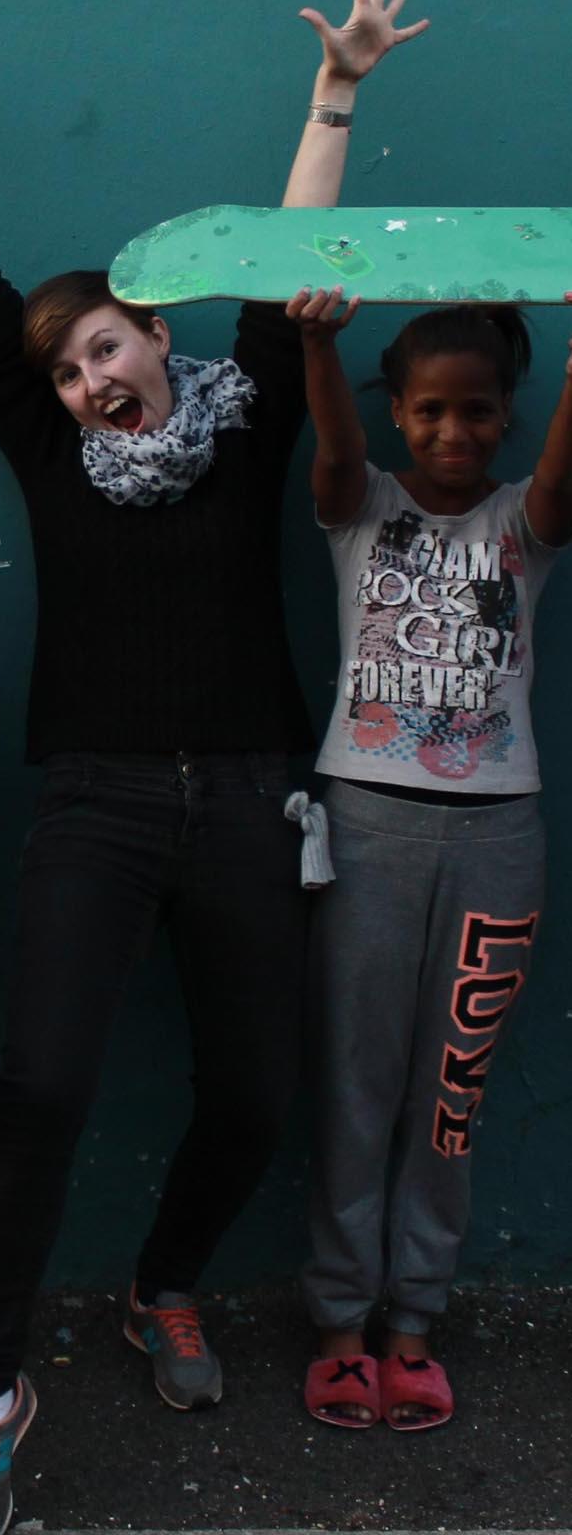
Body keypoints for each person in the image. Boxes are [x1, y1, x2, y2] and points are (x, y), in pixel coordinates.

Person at [0, 0, 429, 1535]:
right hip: (95, 805)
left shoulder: (247, 419)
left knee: (253, 1092)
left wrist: (339, 92)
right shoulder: (50, 448)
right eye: (70, 371)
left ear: (152, 336)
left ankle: (162, 1283)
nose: (92, 381)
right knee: (40, 1091)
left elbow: (289, 259)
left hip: (247, 798)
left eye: (107, 346)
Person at [289, 283, 572, 1431]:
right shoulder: (360, 509)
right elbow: (334, 448)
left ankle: (413, 1320)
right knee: (355, 1087)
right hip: (365, 827)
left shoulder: (522, 523)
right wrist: (316, 344)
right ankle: (340, 1325)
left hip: (498, 836)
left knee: (447, 1092)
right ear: (396, 415)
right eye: (427, 413)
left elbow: (558, 480)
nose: (452, 434)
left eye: (475, 414)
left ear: (506, 416)